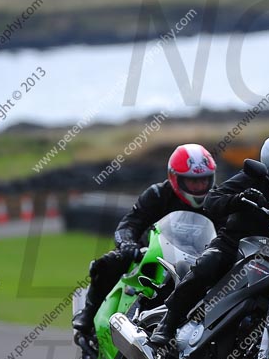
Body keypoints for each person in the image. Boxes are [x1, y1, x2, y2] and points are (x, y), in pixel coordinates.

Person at [149, 132, 269, 345]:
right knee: (208, 264)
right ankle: (168, 322)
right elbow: (212, 201)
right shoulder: (254, 178)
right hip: (235, 245)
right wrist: (239, 199)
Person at [72, 144, 217, 339]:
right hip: (151, 253)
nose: (199, 187)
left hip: (197, 259)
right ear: (175, 178)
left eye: (204, 181)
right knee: (110, 262)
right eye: (193, 182)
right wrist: (127, 244)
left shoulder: (217, 199)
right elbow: (130, 224)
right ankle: (88, 314)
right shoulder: (157, 195)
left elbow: (229, 229)